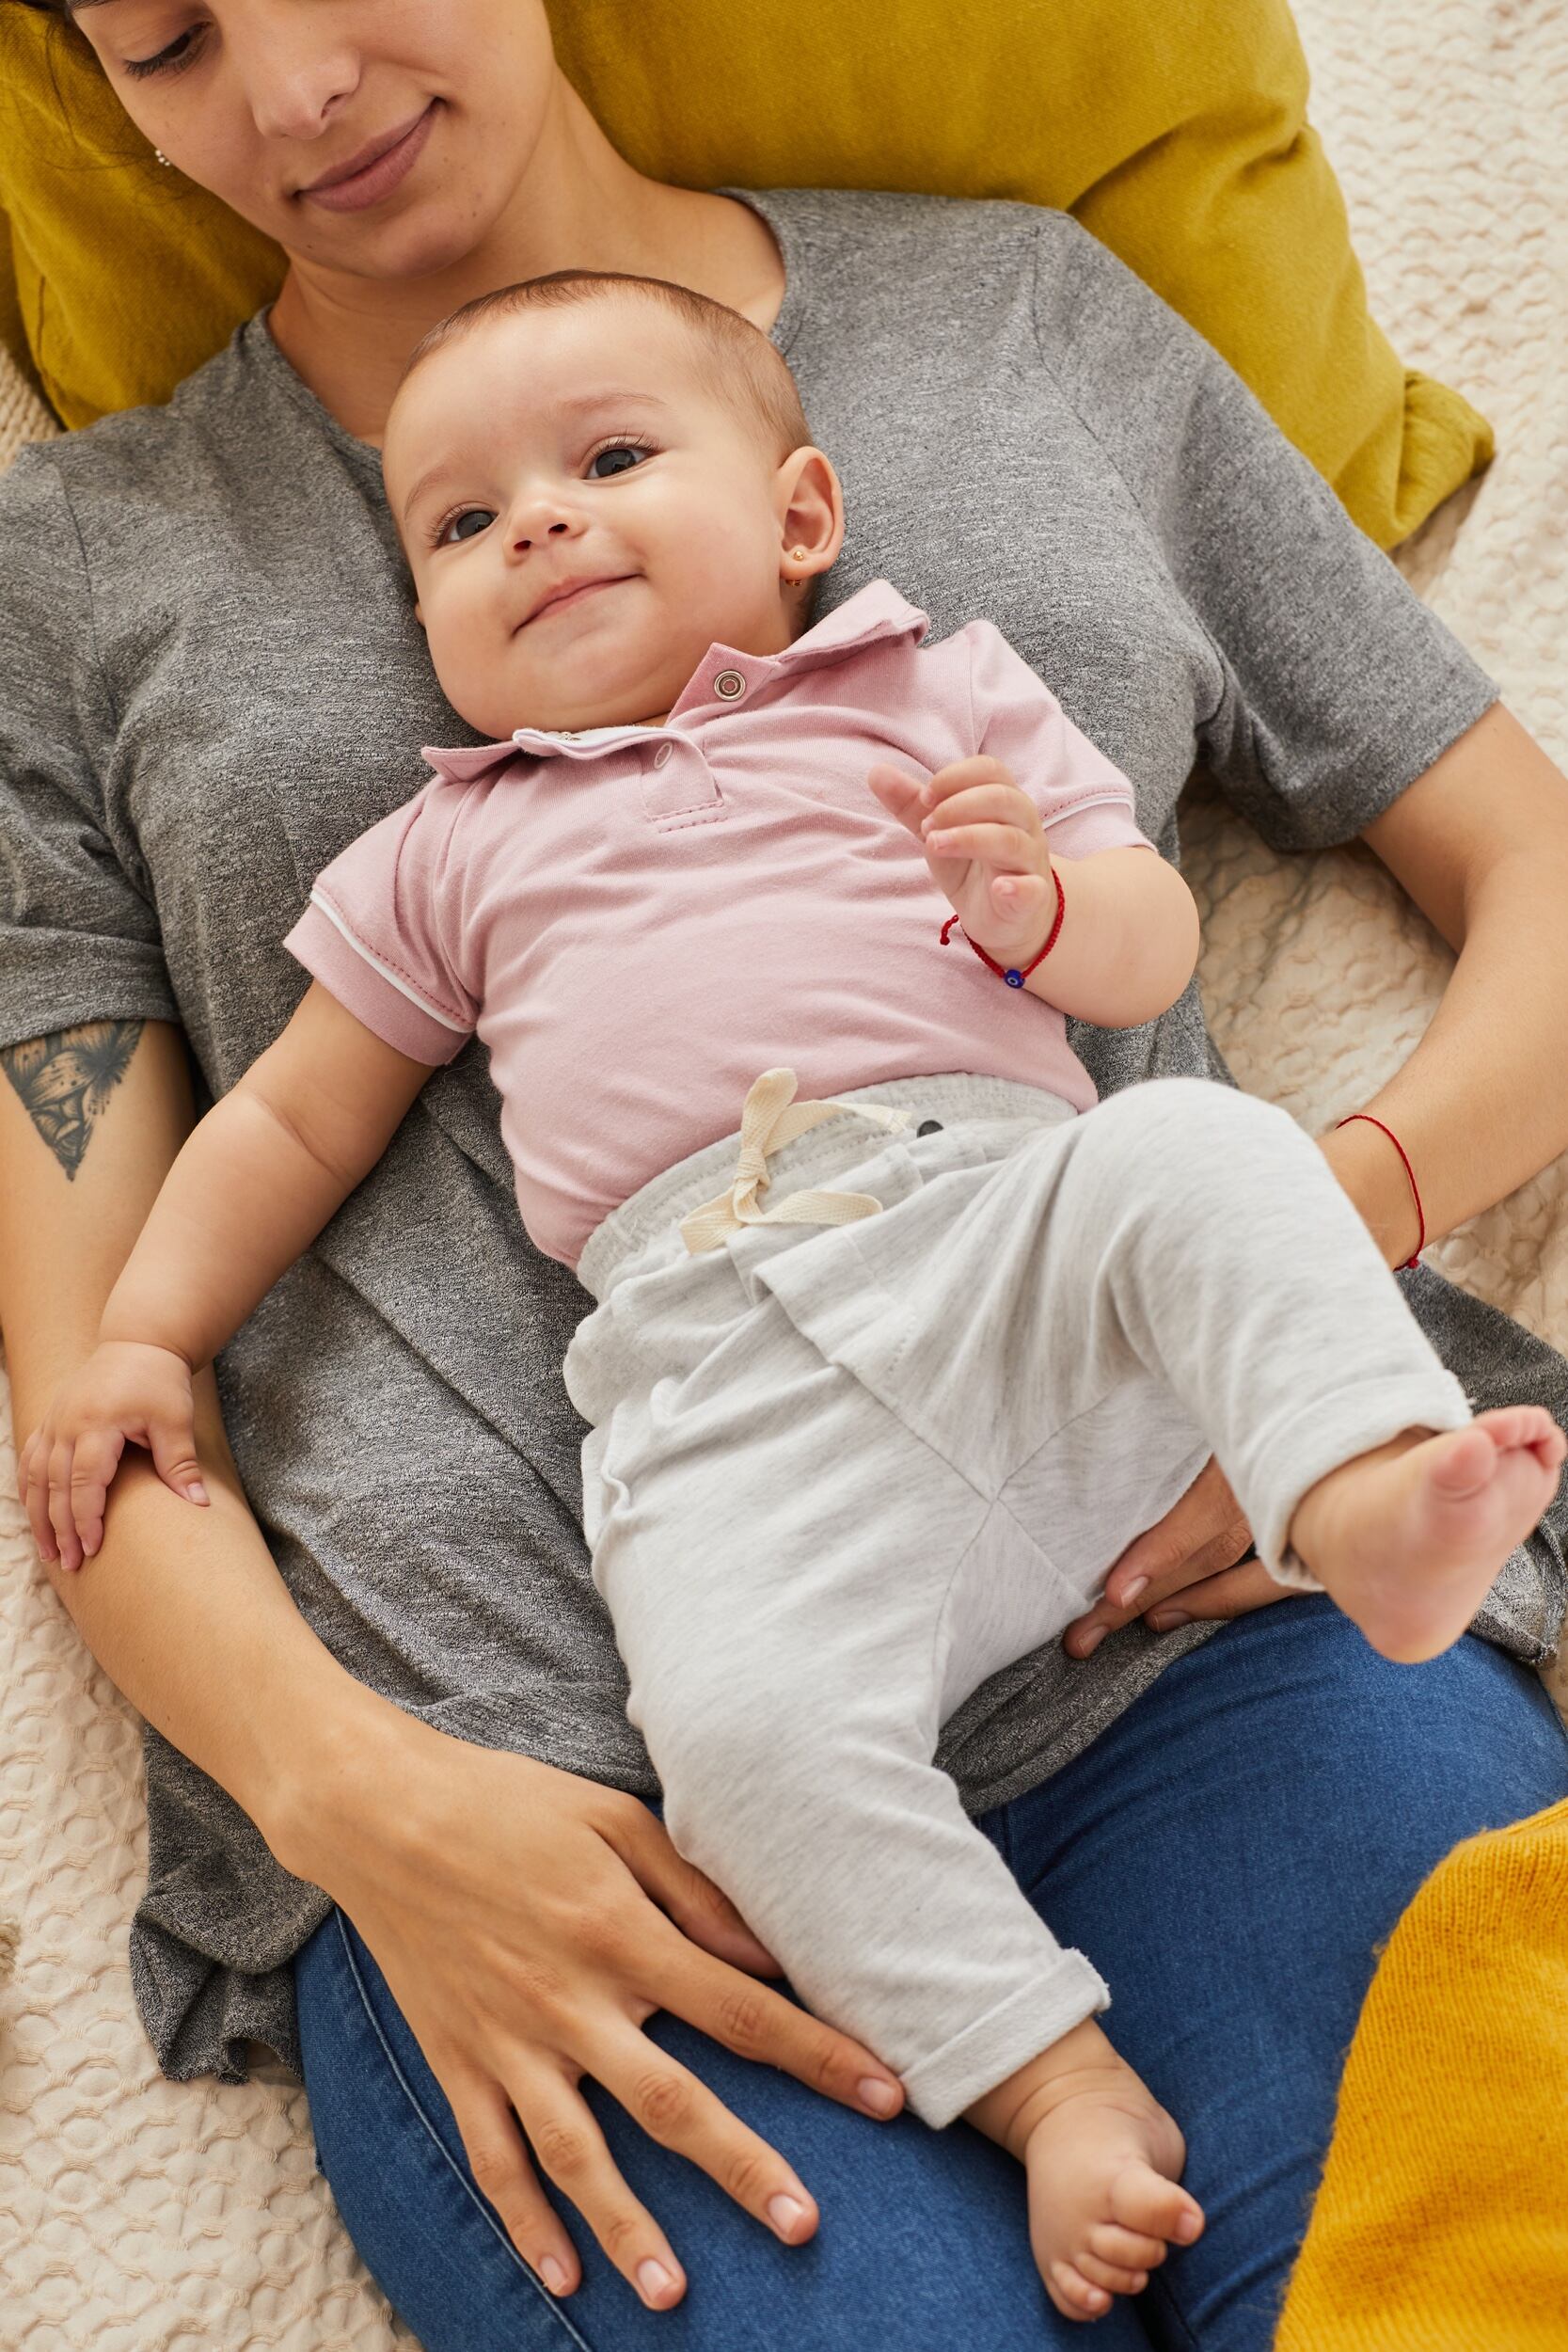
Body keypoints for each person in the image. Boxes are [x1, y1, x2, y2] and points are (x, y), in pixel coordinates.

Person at [3, 3, 1568, 2344]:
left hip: (1204, 1634)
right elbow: (96, 1376)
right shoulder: (71, 567)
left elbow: (1530, 865)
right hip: (557, 1796)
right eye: (169, 40)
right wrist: (358, 1802)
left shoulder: (1015, 317)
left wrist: (1297, 1275)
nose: (293, 93)